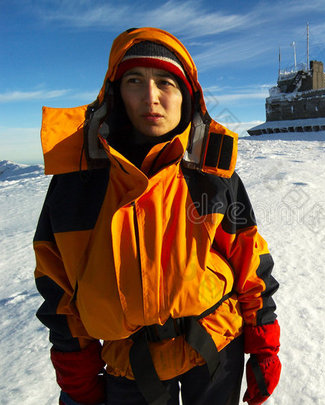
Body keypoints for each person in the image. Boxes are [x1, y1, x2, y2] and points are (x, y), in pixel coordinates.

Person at [33, 27, 281, 405]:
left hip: (214, 349)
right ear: (116, 94)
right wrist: (75, 365)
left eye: (166, 82)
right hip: (129, 363)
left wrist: (264, 345)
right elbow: (57, 282)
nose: (152, 97)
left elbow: (250, 260)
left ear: (186, 97)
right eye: (135, 80)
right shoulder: (78, 183)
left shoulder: (211, 173)